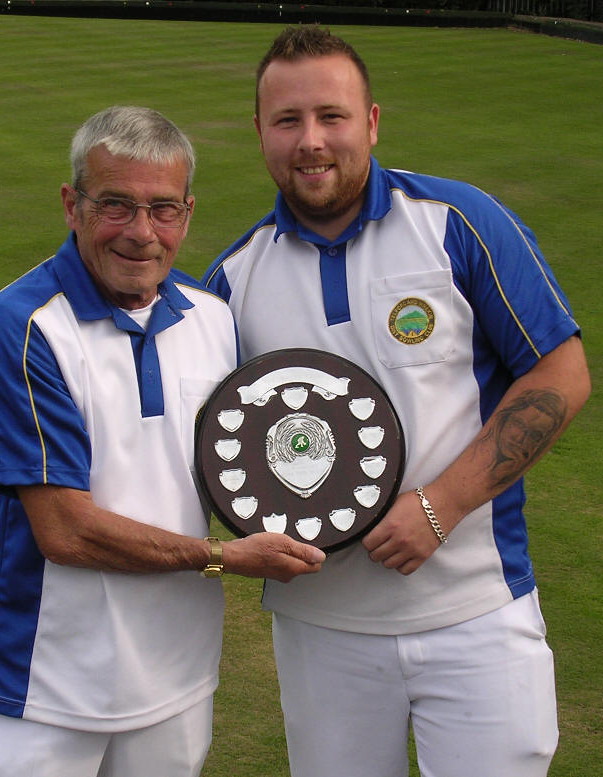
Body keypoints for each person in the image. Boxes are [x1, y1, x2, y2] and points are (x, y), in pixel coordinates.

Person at [202, 26, 591, 777]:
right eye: (287, 120)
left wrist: (440, 505)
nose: (311, 141)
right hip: (320, 629)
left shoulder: (457, 223)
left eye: (332, 116)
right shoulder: (230, 281)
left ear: (372, 121)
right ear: (258, 132)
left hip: (475, 613)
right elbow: (211, 448)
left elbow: (560, 373)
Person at [0, 105, 325, 777]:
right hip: (42, 692)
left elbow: (255, 459)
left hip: (177, 684)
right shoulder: (22, 326)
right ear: (72, 205)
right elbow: (65, 531)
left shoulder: (213, 319)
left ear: (187, 213)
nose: (141, 232)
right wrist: (223, 557)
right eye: (115, 205)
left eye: (163, 209)